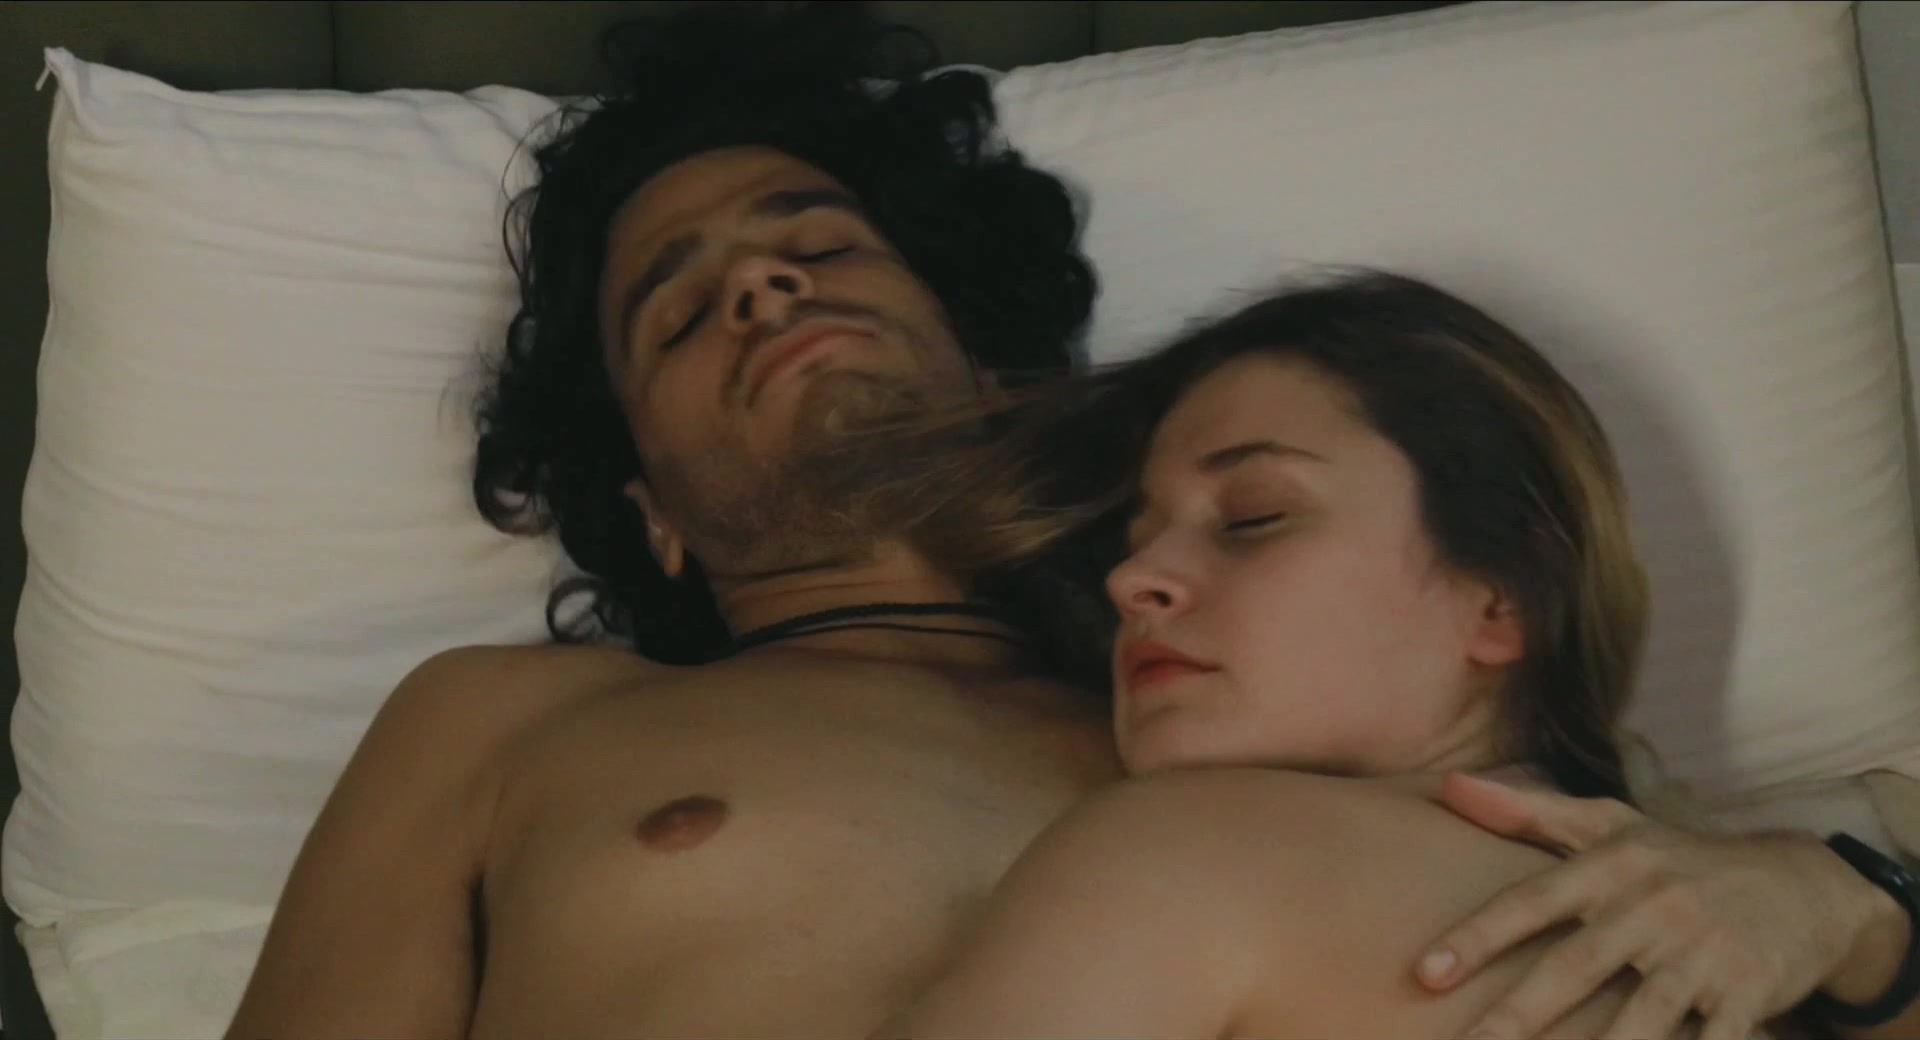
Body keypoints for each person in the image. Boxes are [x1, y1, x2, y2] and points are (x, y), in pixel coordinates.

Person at [222, 4, 1919, 1039]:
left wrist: (1841, 912)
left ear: (979, 349)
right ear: (648, 511)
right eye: (676, 310)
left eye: (820, 243)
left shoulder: (1267, 677)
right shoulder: (509, 724)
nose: (761, 285)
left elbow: (1599, 853)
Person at [850, 268, 1917, 1040]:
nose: (1135, 582)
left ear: (1501, 598)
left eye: (1254, 518)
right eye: (1137, 543)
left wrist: (1860, 919)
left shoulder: (1192, 850)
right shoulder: (1190, 851)